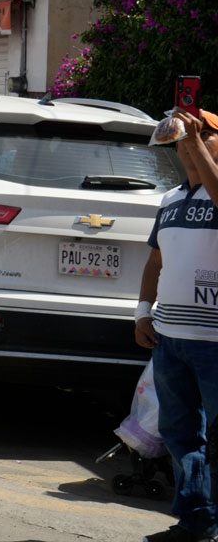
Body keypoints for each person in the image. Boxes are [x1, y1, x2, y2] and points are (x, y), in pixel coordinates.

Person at [137, 108, 218, 542]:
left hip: (214, 342)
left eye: (204, 137)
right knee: (180, 434)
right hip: (171, 340)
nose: (191, 144)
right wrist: (142, 311)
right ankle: (196, 522)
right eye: (185, 139)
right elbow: (154, 262)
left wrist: (197, 141)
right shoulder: (170, 200)